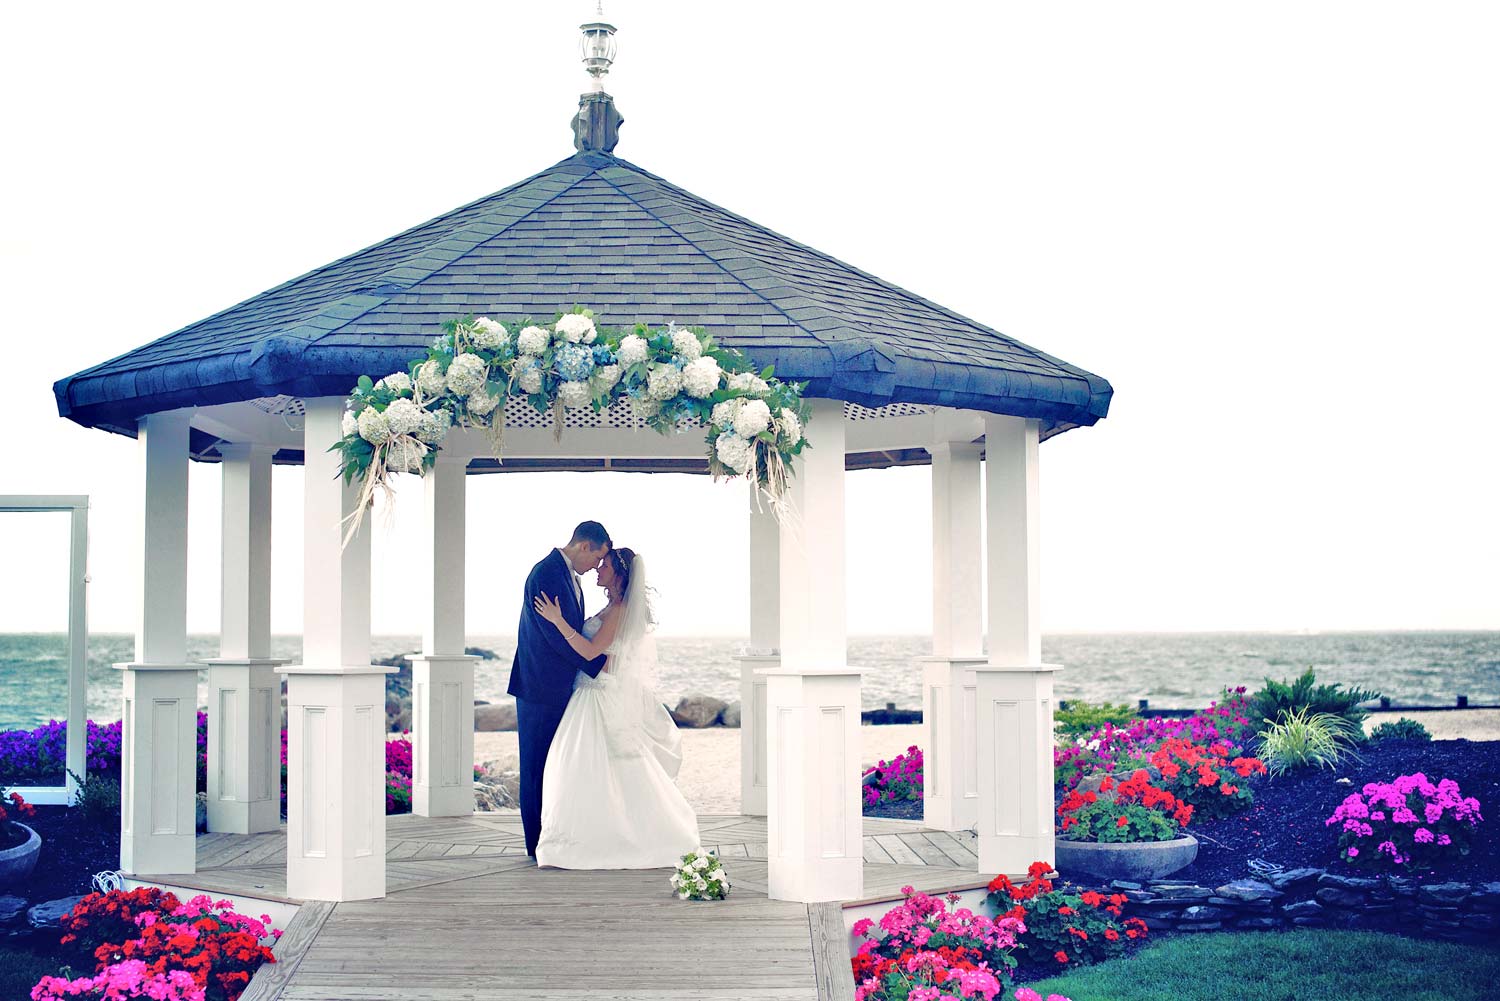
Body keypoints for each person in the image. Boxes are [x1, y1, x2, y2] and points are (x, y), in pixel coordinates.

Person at [531, 546, 701, 868]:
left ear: (619, 575)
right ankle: (579, 837)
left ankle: (628, 838)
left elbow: (594, 653)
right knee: (577, 768)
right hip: (587, 693)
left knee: (592, 767)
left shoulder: (621, 610)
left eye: (604, 565)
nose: (598, 569)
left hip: (597, 696)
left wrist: (558, 621)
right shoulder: (611, 608)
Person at [508, 521, 612, 859]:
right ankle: (534, 846)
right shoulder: (547, 573)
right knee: (536, 768)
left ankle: (551, 838)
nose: (597, 566)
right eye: (598, 558)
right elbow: (554, 637)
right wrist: (596, 666)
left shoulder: (564, 574)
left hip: (558, 688)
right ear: (585, 546)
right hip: (539, 687)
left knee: (557, 765)